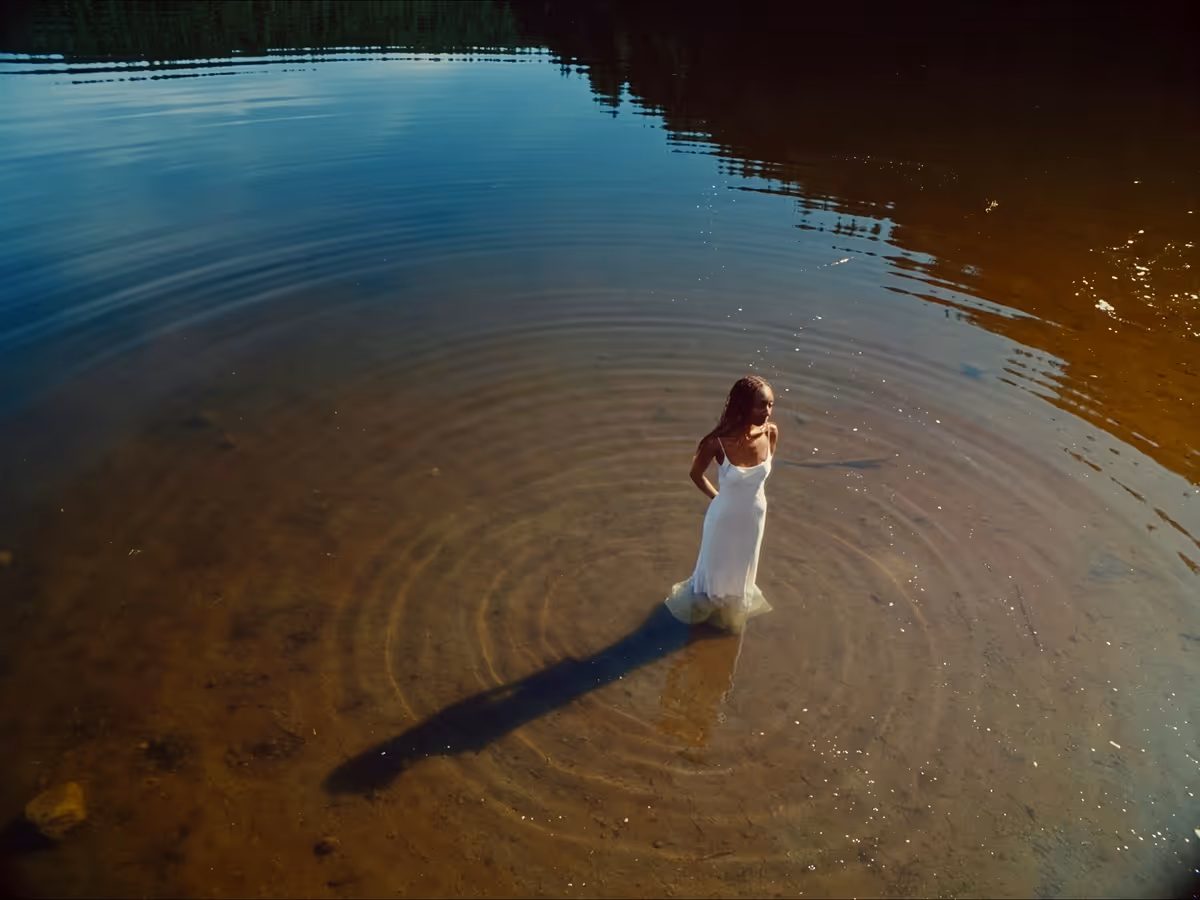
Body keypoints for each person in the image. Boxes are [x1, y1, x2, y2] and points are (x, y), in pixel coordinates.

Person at [665, 375, 777, 633]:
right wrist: (718, 498)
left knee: (743, 568)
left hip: (755, 517)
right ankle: (704, 621)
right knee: (714, 571)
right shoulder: (716, 443)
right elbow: (696, 475)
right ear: (743, 406)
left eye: (771, 404)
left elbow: (759, 477)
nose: (767, 411)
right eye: (761, 405)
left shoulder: (771, 433)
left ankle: (729, 618)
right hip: (723, 518)